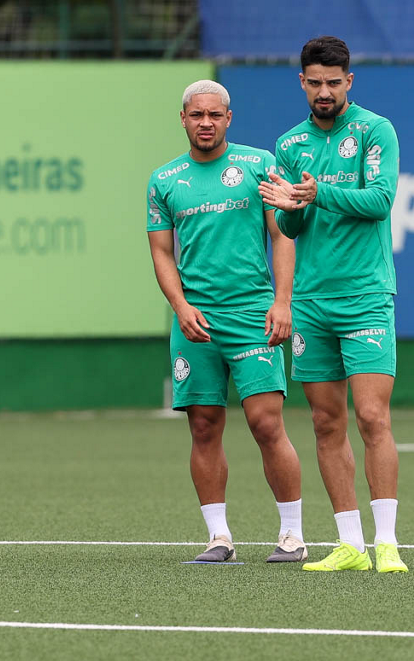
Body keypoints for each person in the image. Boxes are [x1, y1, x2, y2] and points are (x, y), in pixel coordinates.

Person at [258, 36, 408, 573]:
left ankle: (387, 542)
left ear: (349, 82)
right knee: (326, 422)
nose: (324, 91)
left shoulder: (374, 130)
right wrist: (289, 206)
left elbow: (380, 201)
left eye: (334, 82)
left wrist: (317, 193)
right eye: (315, 82)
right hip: (313, 300)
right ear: (302, 82)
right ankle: (349, 543)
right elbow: (293, 228)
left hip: (366, 295)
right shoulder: (290, 143)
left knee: (372, 415)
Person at [147, 79, 307, 564]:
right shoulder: (164, 180)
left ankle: (292, 536)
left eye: (214, 115)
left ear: (228, 119)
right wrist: (180, 307)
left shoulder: (258, 165)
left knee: (265, 422)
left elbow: (282, 238)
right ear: (183, 119)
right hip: (195, 318)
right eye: (197, 115)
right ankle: (219, 538)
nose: (206, 123)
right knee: (203, 425)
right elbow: (160, 251)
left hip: (252, 313)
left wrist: (282, 302)